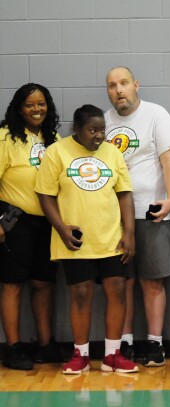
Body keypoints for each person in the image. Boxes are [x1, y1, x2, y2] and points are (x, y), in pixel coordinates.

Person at [35, 104, 138, 374]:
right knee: (81, 294)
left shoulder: (112, 152)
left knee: (117, 290)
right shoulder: (57, 152)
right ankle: (80, 355)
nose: (98, 136)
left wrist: (129, 233)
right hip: (76, 239)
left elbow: (125, 194)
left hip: (111, 238)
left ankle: (113, 355)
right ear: (76, 130)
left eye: (102, 130)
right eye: (92, 130)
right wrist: (60, 227)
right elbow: (45, 194)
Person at [105, 66, 170, 367]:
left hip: (152, 212)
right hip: (113, 217)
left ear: (136, 85)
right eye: (112, 86)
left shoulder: (155, 114)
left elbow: (169, 159)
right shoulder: (105, 121)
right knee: (121, 281)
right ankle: (124, 343)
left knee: (152, 282)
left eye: (124, 83)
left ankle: (154, 343)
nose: (118, 90)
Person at [0, 83, 61, 370]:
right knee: (12, 285)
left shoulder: (54, 139)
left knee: (43, 283)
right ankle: (13, 348)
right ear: (19, 108)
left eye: (41, 104)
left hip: (47, 222)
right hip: (15, 221)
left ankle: (45, 345)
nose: (36, 109)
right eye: (29, 105)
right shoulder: (5, 138)